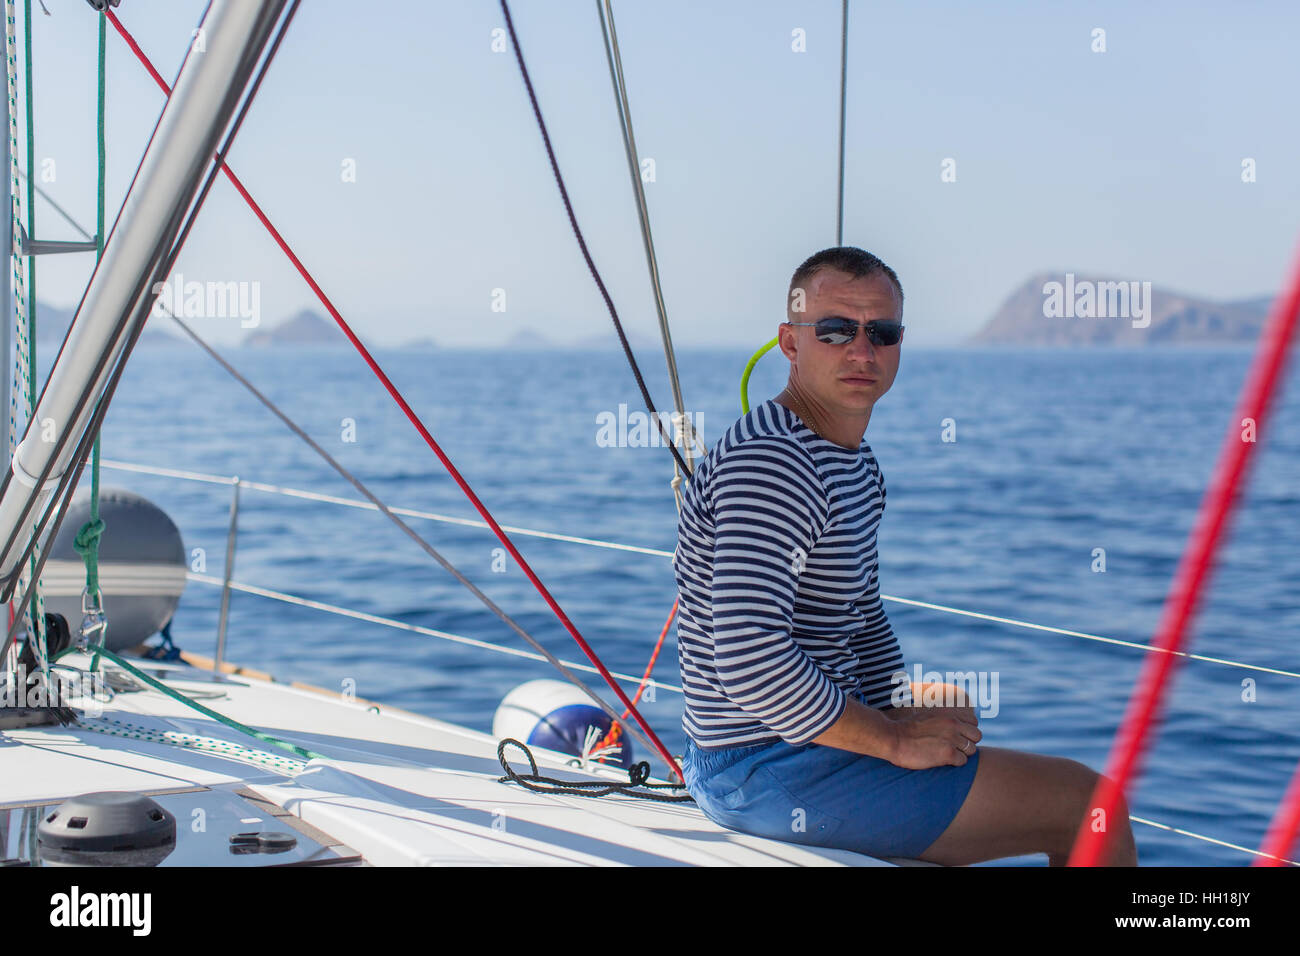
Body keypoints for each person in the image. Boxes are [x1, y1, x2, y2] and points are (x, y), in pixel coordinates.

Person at [672, 246, 1137, 866]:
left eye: (882, 333)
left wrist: (896, 701)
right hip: (762, 766)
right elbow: (751, 657)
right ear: (789, 342)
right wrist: (893, 740)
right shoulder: (774, 464)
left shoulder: (855, 466)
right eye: (835, 330)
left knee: (957, 716)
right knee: (1088, 807)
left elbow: (861, 619)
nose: (862, 352)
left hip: (794, 750)